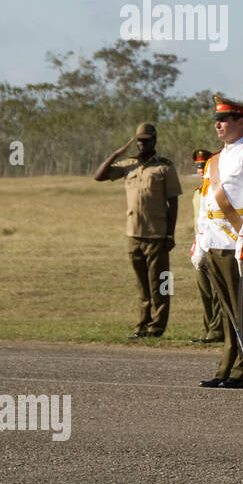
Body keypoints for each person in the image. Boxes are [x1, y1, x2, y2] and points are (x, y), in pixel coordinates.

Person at [190, 96, 243, 388]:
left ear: (240, 122)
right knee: (226, 310)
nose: (217, 125)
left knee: (241, 309)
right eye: (216, 120)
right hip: (215, 242)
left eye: (224, 120)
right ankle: (225, 367)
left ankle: (241, 370)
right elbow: (205, 207)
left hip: (236, 244)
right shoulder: (214, 161)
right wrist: (200, 243)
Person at [93, 121, 182, 338]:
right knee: (142, 285)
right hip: (133, 234)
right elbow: (99, 176)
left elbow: (173, 203)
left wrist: (170, 235)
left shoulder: (164, 167)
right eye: (138, 141)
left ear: (154, 141)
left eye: (146, 141)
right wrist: (116, 153)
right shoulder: (128, 165)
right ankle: (142, 324)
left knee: (160, 283)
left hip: (157, 235)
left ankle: (157, 326)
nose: (141, 145)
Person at [187, 150, 224, 343]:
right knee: (204, 290)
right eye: (198, 167)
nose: (200, 170)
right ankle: (208, 327)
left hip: (216, 242)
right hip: (200, 243)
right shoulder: (198, 192)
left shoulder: (217, 189)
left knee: (217, 290)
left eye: (203, 166)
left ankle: (218, 329)